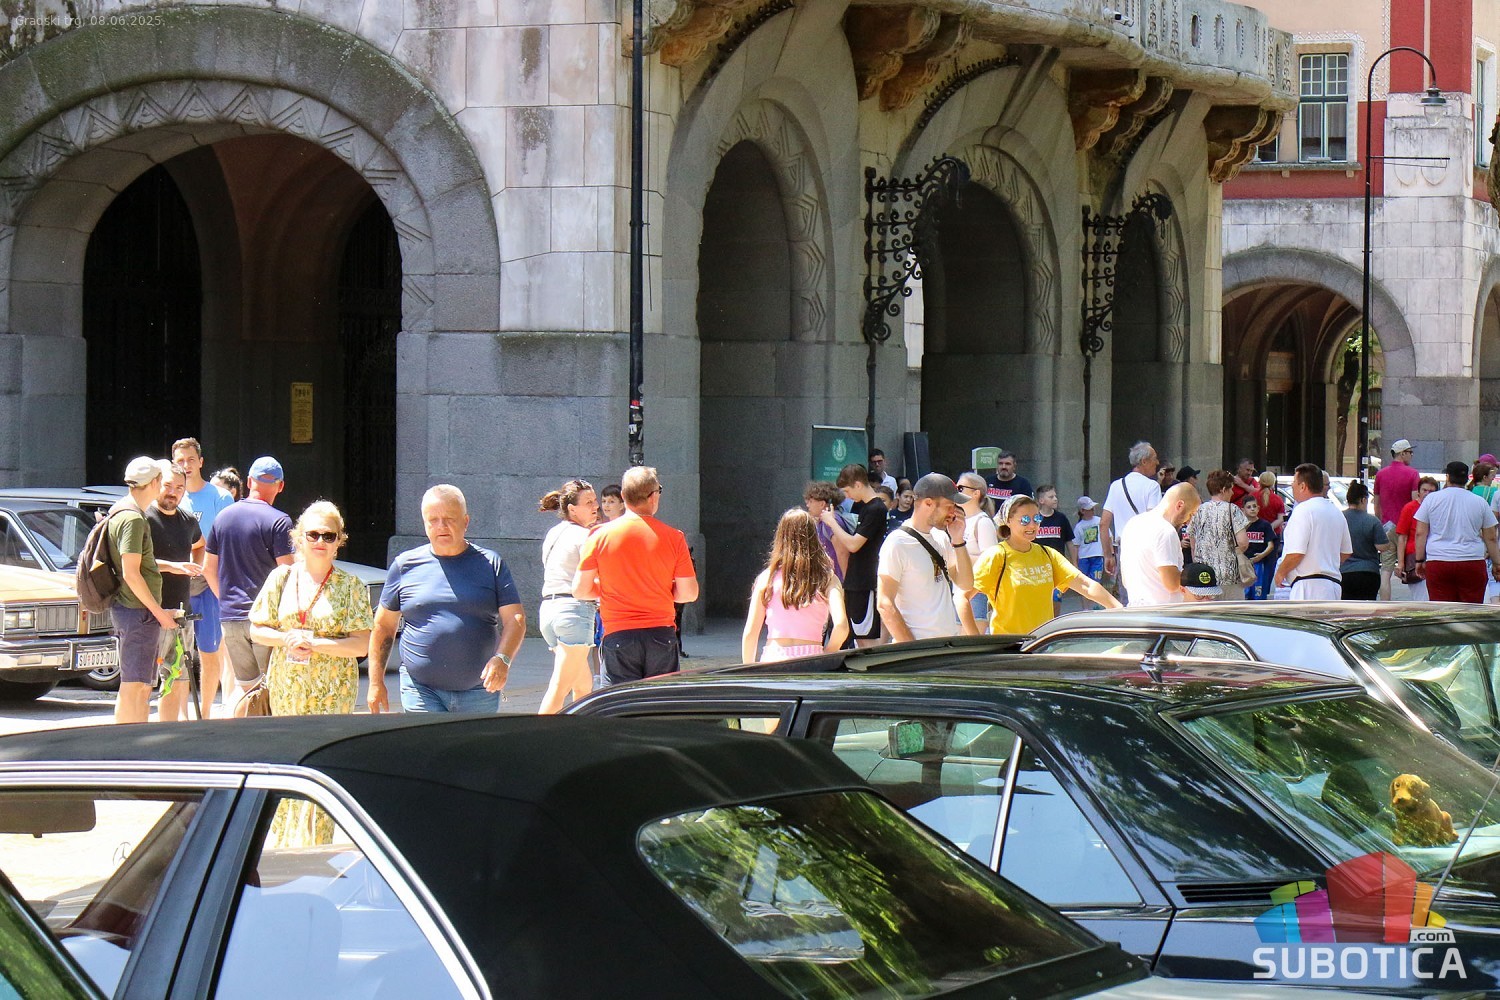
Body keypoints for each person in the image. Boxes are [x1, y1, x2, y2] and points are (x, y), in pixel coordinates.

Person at [370, 484, 524, 712]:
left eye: (449, 519)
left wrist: (503, 659)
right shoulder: (404, 566)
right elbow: (383, 626)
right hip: (420, 689)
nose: (441, 526)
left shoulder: (490, 564)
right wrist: (376, 682)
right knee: (429, 738)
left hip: (479, 690)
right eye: (433, 520)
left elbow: (515, 619)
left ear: (466, 521)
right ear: (424, 523)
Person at [248, 501, 374, 716]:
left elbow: (361, 645)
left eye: (329, 536)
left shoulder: (351, 585)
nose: (320, 541)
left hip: (334, 693)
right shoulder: (281, 577)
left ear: (339, 541)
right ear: (300, 538)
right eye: (313, 535)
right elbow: (256, 631)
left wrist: (313, 644)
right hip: (286, 691)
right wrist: (287, 639)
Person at [574, 467, 697, 683]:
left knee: (620, 702)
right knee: (658, 701)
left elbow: (580, 590)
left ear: (623, 496)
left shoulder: (599, 536)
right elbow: (689, 593)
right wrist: (660, 591)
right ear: (654, 496)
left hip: (619, 633)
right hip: (661, 634)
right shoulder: (674, 538)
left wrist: (612, 589)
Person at [203, 456, 294, 714]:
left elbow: (208, 569)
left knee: (247, 691)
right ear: (280, 486)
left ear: (250, 481)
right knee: (271, 692)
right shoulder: (280, 521)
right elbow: (287, 572)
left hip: (231, 619)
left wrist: (226, 600)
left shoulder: (223, 517)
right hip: (266, 621)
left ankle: (236, 732)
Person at [973, 495, 1120, 634]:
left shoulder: (1048, 554)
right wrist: (973, 638)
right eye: (1025, 520)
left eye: (1036, 518)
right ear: (1008, 521)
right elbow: (964, 597)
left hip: (1041, 643)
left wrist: (1119, 609)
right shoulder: (996, 555)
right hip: (1010, 645)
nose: (1032, 525)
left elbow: (1086, 585)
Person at [106, 457, 182, 724]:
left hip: (135, 612)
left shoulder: (123, 510)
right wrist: (159, 613)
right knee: (134, 686)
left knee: (142, 687)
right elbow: (131, 573)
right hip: (136, 612)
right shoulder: (132, 518)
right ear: (154, 482)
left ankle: (134, 738)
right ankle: (126, 743)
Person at [171, 438, 234, 719]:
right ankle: (183, 716)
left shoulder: (220, 497)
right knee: (179, 652)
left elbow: (227, 543)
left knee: (210, 650)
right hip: (177, 582)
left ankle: (206, 714)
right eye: (180, 461)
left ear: (201, 462)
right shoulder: (171, 495)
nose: (186, 465)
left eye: (191, 460)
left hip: (209, 582)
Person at [876, 474, 976, 641]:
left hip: (947, 643)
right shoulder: (897, 543)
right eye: (949, 506)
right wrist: (911, 648)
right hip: (920, 648)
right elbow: (884, 603)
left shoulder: (941, 537)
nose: (953, 513)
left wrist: (958, 540)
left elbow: (965, 584)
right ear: (928, 503)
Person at [741, 509, 850, 662]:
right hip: (811, 659)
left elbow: (751, 633)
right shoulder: (827, 578)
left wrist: (748, 668)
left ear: (781, 537)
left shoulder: (767, 578)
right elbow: (842, 626)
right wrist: (826, 653)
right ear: (814, 537)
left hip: (774, 658)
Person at [534, 479, 599, 714]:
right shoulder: (585, 536)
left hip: (549, 612)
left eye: (595, 501)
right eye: (588, 502)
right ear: (572, 509)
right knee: (559, 688)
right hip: (574, 612)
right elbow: (594, 577)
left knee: (583, 686)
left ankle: (577, 731)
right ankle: (535, 734)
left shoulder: (554, 533)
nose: (596, 506)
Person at [145, 462, 203, 722]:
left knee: (177, 678)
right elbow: (137, 563)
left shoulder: (188, 520)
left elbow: (200, 544)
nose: (173, 492)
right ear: (157, 484)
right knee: (144, 682)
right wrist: (174, 566)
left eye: (179, 487)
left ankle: (170, 729)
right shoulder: (144, 518)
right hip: (150, 612)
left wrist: (195, 568)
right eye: (168, 485)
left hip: (181, 613)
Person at [1413, 461, 1500, 604]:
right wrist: (1497, 563)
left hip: (1438, 560)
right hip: (1471, 561)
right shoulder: (1479, 502)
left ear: (1447, 477)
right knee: (1471, 609)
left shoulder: (1431, 500)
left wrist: (1419, 560)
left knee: (1442, 609)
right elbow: (1491, 537)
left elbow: (1420, 533)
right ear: (1467, 478)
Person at [820, 464, 887, 647]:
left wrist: (832, 523)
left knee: (866, 636)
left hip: (865, 580)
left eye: (848, 491)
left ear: (858, 484)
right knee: (859, 635)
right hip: (857, 579)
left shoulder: (876, 509)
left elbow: (853, 545)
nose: (847, 496)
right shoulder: (865, 507)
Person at [1273, 463, 1352, 601]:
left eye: (1294, 482)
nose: (1292, 486)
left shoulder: (1302, 510)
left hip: (1307, 586)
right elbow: (1346, 552)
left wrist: (1280, 573)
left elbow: (1296, 553)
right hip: (1332, 585)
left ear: (1303, 486)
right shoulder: (1336, 512)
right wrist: (1325, 562)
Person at [1119, 482, 1201, 606]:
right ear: (1179, 505)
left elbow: (1125, 579)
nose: (1188, 521)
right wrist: (1194, 577)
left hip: (1136, 607)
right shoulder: (1166, 531)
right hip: (1164, 611)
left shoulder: (1132, 524)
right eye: (1190, 514)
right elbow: (1171, 583)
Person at [1101, 441, 1163, 585]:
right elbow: (1154, 521)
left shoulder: (1116, 486)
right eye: (1154, 458)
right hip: (1145, 548)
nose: (1157, 462)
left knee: (1126, 591)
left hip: (1123, 548)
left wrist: (1108, 555)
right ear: (1144, 461)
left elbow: (1103, 523)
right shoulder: (1152, 486)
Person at [1186, 470, 1249, 603]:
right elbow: (1243, 542)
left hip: (1205, 577)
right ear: (1223, 489)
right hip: (1230, 576)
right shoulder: (1232, 510)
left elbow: (1192, 543)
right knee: (1233, 613)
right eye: (1231, 489)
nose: (1232, 493)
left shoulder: (1199, 510)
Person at [1374, 438, 1420, 599]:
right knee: (1413, 568)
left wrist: (1380, 524)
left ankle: (1385, 606)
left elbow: (1377, 503)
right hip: (1406, 529)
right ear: (1402, 453)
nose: (1411, 455)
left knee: (1385, 572)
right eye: (1410, 452)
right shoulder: (1413, 474)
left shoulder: (1381, 474)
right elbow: (1415, 503)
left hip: (1386, 527)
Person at [956, 472, 999, 624]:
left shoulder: (982, 521)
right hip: (959, 589)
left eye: (960, 488)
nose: (956, 492)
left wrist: (957, 556)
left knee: (971, 636)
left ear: (976, 493)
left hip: (977, 592)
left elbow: (990, 561)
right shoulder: (961, 519)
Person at [1340, 481, 1389, 600]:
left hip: (1344, 571)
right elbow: (1382, 546)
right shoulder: (1372, 521)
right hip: (1368, 572)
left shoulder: (1338, 518)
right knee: (1367, 607)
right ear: (1363, 500)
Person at [1394, 477, 1440, 600]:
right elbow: (1402, 538)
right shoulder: (1409, 508)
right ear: (1418, 492)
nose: (1427, 494)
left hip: (1434, 555)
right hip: (1414, 556)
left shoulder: (1439, 509)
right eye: (1424, 490)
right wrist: (1401, 563)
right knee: (1421, 597)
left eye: (1431, 491)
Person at [802, 481, 848, 580]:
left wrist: (846, 581)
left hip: (838, 581)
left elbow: (842, 552)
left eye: (811, 501)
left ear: (822, 504)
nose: (807, 505)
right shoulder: (822, 522)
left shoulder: (831, 522)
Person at [1241, 497, 1277, 599]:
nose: (1252, 509)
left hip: (1259, 564)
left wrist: (1261, 556)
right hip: (1244, 564)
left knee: (1259, 592)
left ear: (1258, 508)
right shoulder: (1241, 526)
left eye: (1254, 506)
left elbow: (1271, 545)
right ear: (1243, 510)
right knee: (1245, 593)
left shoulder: (1264, 525)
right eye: (1249, 507)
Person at [1074, 496, 1104, 585]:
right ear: (1082, 511)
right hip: (1083, 557)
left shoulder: (1099, 521)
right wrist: (1075, 562)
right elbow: (1076, 545)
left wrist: (1110, 553)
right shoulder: (1079, 526)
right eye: (1090, 509)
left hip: (1097, 555)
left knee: (1095, 582)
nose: (1092, 510)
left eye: (1092, 508)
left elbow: (1108, 536)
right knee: (1084, 583)